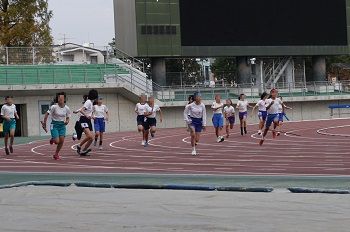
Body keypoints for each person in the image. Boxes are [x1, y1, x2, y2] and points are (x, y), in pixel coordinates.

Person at [42, 92, 70, 160]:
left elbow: (68, 117)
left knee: (62, 141)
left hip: (62, 125)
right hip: (54, 125)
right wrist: (44, 124)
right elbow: (46, 114)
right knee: (57, 141)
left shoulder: (67, 108)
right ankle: (53, 138)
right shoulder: (54, 107)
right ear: (57, 99)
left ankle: (56, 154)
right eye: (59, 98)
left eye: (62, 98)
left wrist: (67, 121)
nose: (60, 99)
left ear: (64, 99)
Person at [74, 89, 98, 156]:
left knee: (92, 138)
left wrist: (93, 117)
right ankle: (79, 146)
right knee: (89, 136)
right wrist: (87, 115)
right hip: (83, 120)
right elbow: (82, 110)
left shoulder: (92, 103)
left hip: (88, 120)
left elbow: (90, 112)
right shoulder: (88, 102)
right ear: (94, 96)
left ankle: (84, 150)